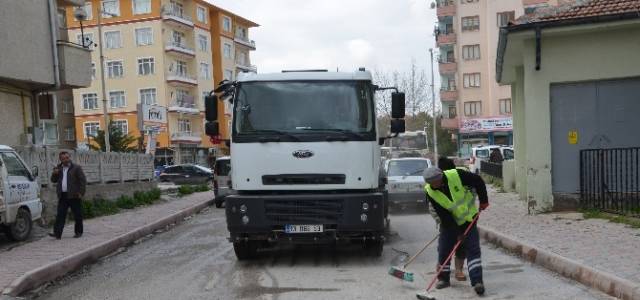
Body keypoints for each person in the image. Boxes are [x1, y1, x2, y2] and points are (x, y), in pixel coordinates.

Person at [423, 166, 489, 296]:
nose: (434, 186)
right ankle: (443, 279)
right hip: (449, 224)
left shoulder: (457, 175)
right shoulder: (430, 191)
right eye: (431, 184)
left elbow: (478, 181)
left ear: (441, 177)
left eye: (436, 182)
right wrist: (458, 233)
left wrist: (484, 200)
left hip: (468, 219)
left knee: (473, 249)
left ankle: (477, 282)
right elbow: (444, 215)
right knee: (444, 249)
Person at [436, 157, 467, 282]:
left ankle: (459, 270)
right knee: (444, 246)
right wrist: (441, 220)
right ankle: (442, 267)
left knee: (461, 244)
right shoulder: (434, 182)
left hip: (462, 219)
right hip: (446, 222)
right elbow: (433, 208)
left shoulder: (460, 178)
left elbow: (470, 194)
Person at [49, 151, 87, 240]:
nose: (65, 160)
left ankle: (78, 232)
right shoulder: (58, 168)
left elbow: (83, 181)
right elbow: (53, 180)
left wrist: (81, 193)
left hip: (74, 195)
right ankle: (57, 233)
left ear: (69, 158)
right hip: (63, 195)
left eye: (67, 158)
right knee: (60, 215)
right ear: (60, 159)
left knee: (77, 215)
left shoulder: (76, 168)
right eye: (63, 158)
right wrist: (54, 173)